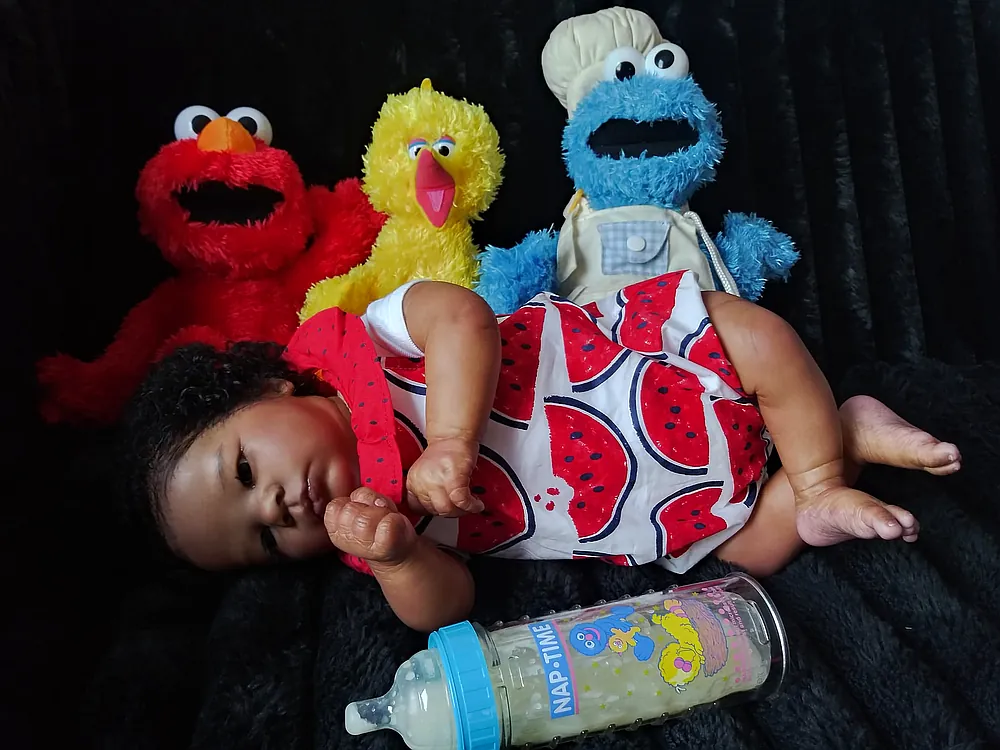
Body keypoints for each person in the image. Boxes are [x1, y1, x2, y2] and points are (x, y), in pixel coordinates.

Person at [118, 272, 961, 632]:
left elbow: (461, 316)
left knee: (756, 337)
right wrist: (399, 559)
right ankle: (840, 443)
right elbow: (450, 603)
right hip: (670, 507)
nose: (276, 507)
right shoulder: (378, 528)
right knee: (754, 553)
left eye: (245, 472)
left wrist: (450, 439)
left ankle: (819, 472)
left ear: (269, 387)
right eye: (265, 539)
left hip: (651, 364)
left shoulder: (367, 340)